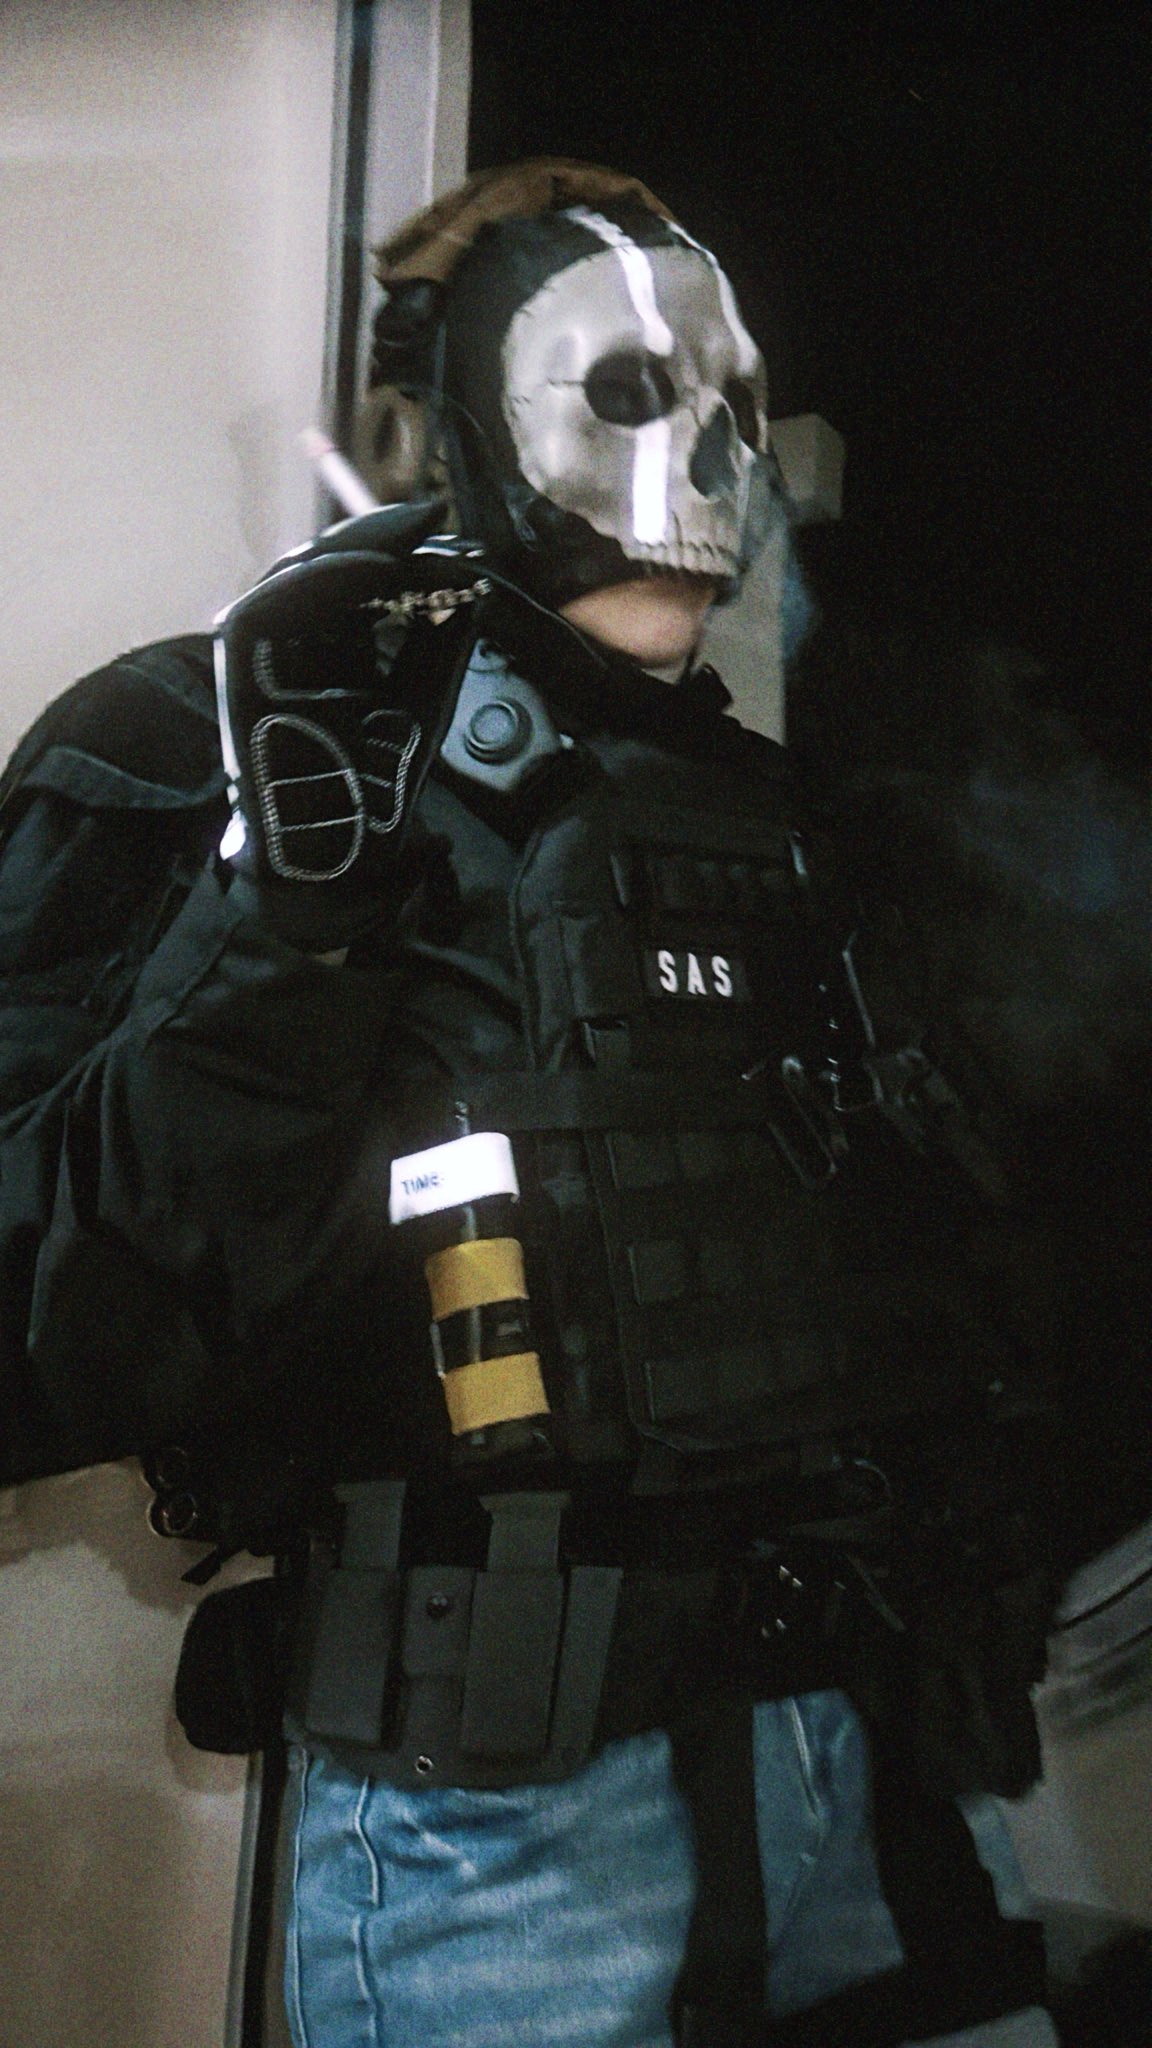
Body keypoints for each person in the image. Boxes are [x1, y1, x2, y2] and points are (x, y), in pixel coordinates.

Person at [0, 161, 1063, 2047]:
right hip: (514, 1821)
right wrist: (284, 917)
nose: (707, 461)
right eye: (627, 393)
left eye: (735, 404)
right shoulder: (201, 748)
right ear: (450, 432)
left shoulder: (756, 807)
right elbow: (37, 1324)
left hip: (878, 1771)